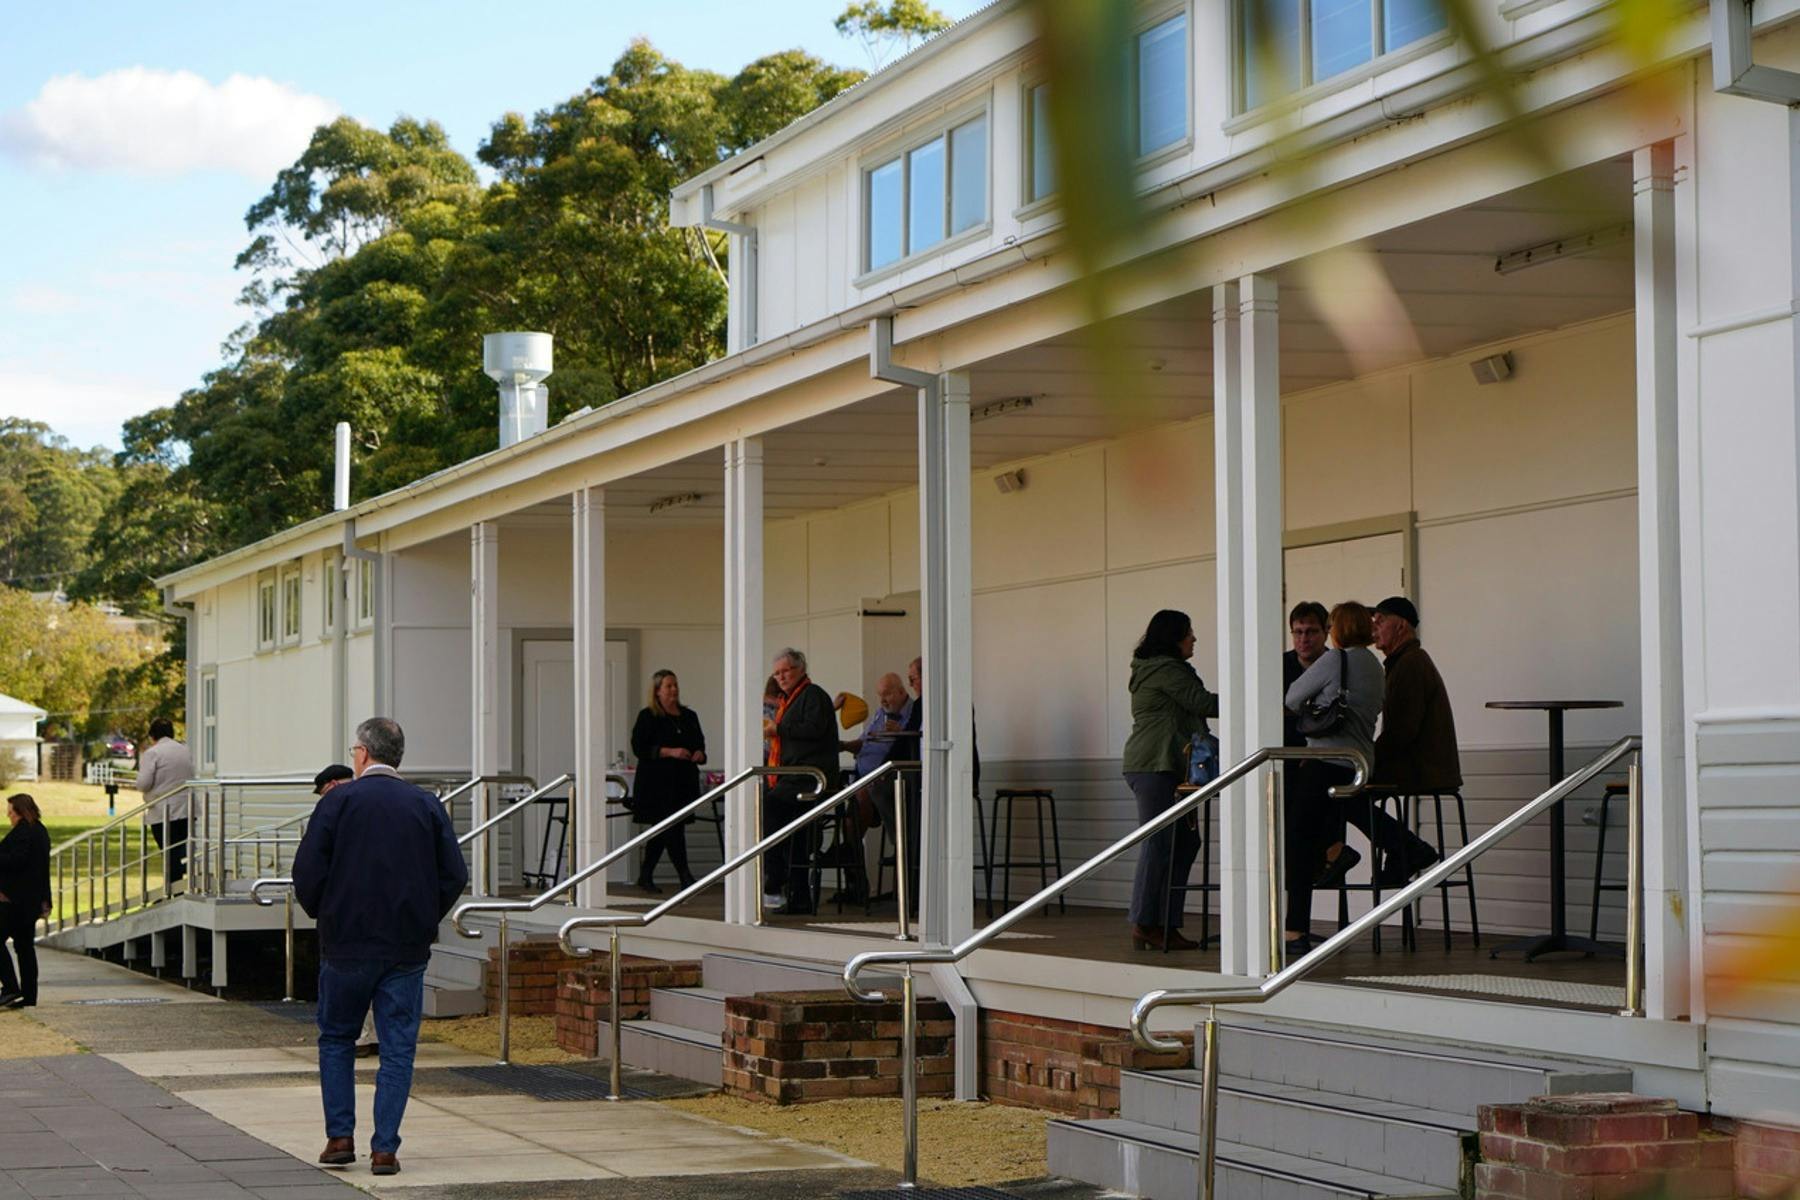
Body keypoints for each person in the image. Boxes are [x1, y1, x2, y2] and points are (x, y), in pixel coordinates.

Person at [293, 718, 467, 1177]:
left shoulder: (338, 802)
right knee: (397, 1048)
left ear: (364, 754)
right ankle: (385, 1147)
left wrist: (324, 912)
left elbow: (307, 871)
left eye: (355, 749)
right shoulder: (426, 805)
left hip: (346, 943)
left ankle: (339, 1136)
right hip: (405, 947)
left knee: (336, 1039)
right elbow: (454, 875)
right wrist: (424, 915)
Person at [1283, 602, 1384, 950]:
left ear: (1336, 629)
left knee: (1296, 839)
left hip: (1324, 759)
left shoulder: (1334, 660)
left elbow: (1293, 697)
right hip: (1358, 760)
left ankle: (1295, 930)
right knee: (1342, 818)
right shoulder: (1374, 664)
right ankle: (1400, 848)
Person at [1122, 609, 1220, 952]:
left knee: (1184, 843)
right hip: (1155, 766)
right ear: (1174, 637)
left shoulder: (1164, 669)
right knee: (1160, 843)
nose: (1194, 638)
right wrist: (1255, 701)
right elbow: (1203, 703)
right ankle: (1145, 922)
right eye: (1189, 633)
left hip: (1168, 768)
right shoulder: (1166, 670)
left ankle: (1163, 923)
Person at [1359, 596, 1453, 884]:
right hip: (1421, 763)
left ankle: (1405, 847)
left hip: (1420, 768)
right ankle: (1402, 848)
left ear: (1401, 627)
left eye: (1380, 621)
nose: (1374, 629)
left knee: (1344, 793)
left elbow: (1402, 732)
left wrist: (1365, 760)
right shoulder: (1405, 662)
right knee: (1342, 788)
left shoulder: (1410, 664)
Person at [761, 649, 839, 915]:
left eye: (786, 671)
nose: (781, 677)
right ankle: (797, 895)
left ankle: (776, 876)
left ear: (801, 669)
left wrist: (778, 729)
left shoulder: (813, 695)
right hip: (791, 777)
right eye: (777, 673)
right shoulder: (788, 700)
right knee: (789, 832)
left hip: (809, 778)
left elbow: (814, 729)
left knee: (768, 808)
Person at [313, 763, 377, 1058]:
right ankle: (374, 1035)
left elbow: (311, 866)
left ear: (335, 785)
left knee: (354, 981)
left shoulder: (337, 809)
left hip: (349, 913)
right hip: (391, 910)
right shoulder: (381, 801)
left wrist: (320, 907)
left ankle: (362, 1037)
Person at [629, 670, 706, 894]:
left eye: (675, 685)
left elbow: (699, 742)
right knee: (671, 827)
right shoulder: (648, 716)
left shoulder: (689, 716)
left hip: (682, 782)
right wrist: (669, 751)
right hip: (657, 783)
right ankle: (685, 876)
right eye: (668, 686)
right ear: (657, 690)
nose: (673, 689)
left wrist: (699, 753)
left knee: (665, 828)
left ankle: (645, 875)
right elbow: (639, 748)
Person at [0, 794, 51, 1008]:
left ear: (20, 811)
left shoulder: (24, 832)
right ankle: (29, 995)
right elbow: (43, 870)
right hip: (30, 901)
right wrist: (45, 899)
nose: (8, 815)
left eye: (11, 811)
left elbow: (16, 862)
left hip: (14, 900)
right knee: (24, 948)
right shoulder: (40, 831)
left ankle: (11, 987)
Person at [136, 717, 193, 884]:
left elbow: (143, 784)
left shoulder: (153, 753)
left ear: (152, 736)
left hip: (162, 810)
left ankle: (173, 887)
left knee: (168, 852)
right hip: (187, 807)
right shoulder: (185, 750)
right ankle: (176, 886)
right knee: (178, 849)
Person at [1283, 602, 1330, 749]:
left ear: (1326, 633)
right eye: (1298, 632)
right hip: (1287, 751)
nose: (1303, 639)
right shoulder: (1280, 666)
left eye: (1311, 631)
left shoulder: (1336, 665)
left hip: (1326, 750)